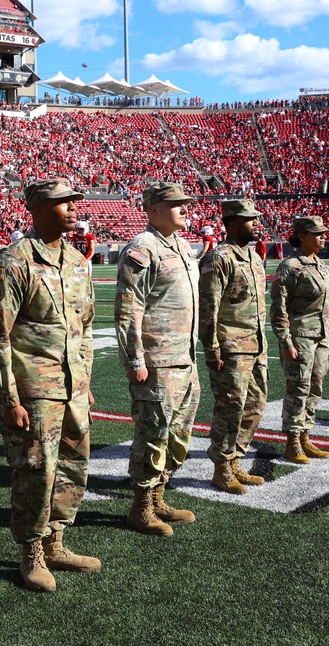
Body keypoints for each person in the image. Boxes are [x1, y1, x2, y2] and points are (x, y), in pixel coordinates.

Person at [0, 178, 99, 592]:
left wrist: (83, 380)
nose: (72, 207)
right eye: (62, 202)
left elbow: (84, 328)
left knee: (72, 467)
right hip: (34, 390)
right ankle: (31, 552)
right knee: (37, 473)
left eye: (72, 201)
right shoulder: (13, 261)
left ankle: (56, 542)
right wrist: (8, 398)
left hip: (71, 389)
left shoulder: (77, 261)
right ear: (38, 208)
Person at [115, 182, 200, 537]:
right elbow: (127, 310)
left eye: (185, 203)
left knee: (179, 436)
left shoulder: (181, 246)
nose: (185, 208)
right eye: (176, 203)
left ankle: (159, 496)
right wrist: (135, 359)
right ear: (153, 209)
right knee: (153, 434)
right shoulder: (143, 249)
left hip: (185, 358)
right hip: (158, 360)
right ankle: (141, 507)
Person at [199, 199, 269, 494]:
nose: (255, 223)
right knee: (230, 409)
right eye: (249, 219)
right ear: (231, 223)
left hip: (256, 345)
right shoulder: (219, 258)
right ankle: (222, 468)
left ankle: (235, 458)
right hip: (231, 347)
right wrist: (212, 349)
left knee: (255, 405)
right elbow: (208, 308)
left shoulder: (253, 258)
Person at [271, 216, 329, 465]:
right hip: (299, 337)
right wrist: (285, 341)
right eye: (317, 233)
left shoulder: (322, 266)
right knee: (298, 388)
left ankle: (305, 434)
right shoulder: (289, 267)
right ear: (301, 236)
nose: (323, 236)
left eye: (323, 232)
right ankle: (292, 441)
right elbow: (279, 308)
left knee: (315, 386)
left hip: (320, 336)